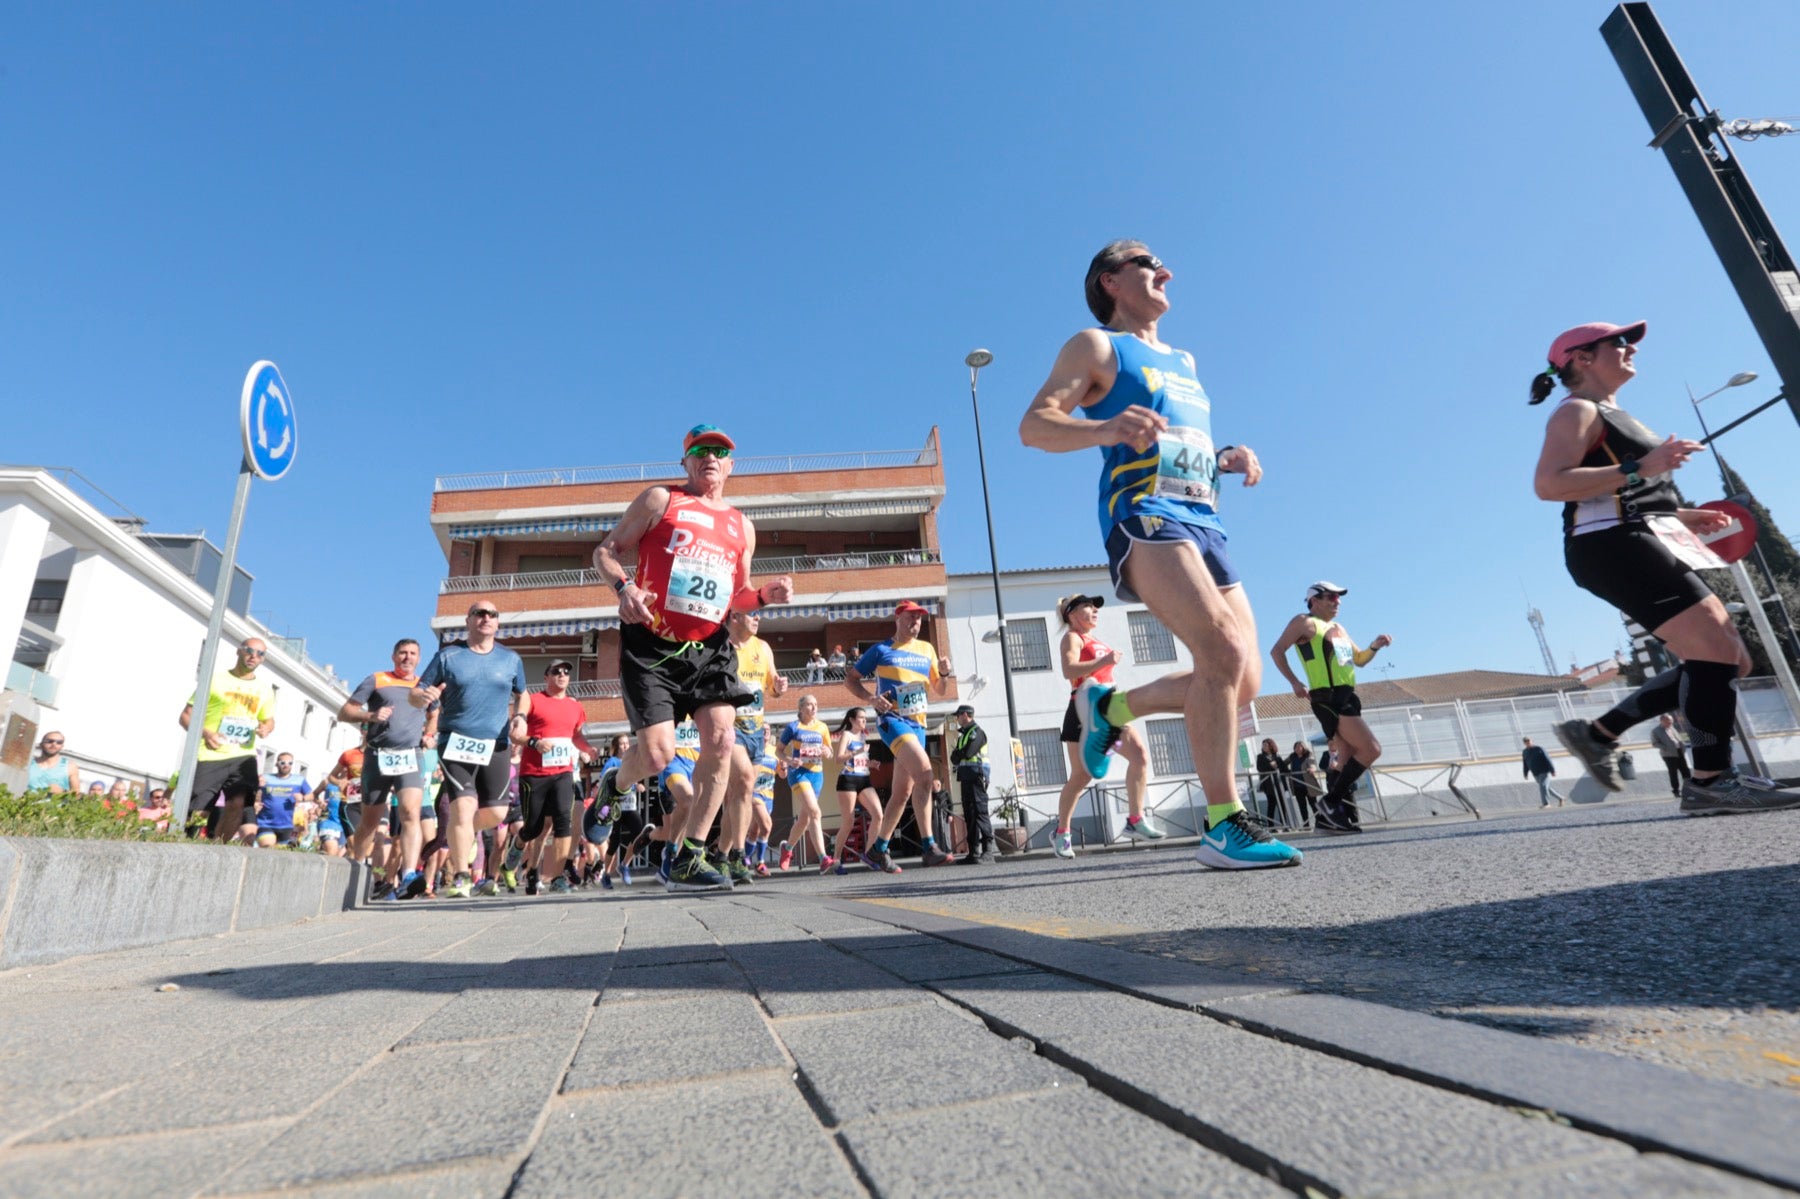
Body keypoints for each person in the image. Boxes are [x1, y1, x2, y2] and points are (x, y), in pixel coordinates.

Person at [1020, 241, 1301, 869]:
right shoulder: (1096, 347)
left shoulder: (1184, 359)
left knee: (1242, 679)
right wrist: (1103, 428)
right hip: (1144, 515)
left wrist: (1224, 456)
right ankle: (1224, 824)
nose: (1165, 271)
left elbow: (1180, 437)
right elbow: (1034, 425)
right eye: (1148, 264)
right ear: (1111, 281)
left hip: (1206, 518)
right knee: (1222, 649)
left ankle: (1113, 709)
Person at [1531, 320, 1800, 815]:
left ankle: (1599, 733)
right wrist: (1640, 467)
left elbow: (1626, 497)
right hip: (1611, 546)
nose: (1630, 348)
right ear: (1582, 358)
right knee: (1716, 648)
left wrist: (1685, 515)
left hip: (1635, 536)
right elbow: (1550, 484)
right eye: (1619, 342)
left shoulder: (1611, 412)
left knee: (1729, 659)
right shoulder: (1577, 411)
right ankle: (1711, 779)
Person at [589, 423, 794, 892]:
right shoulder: (661, 500)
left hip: (709, 648)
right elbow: (605, 551)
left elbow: (737, 596)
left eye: (719, 452)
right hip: (651, 643)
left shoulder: (742, 526)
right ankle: (616, 786)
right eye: (700, 450)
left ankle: (691, 854)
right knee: (659, 755)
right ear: (685, 462)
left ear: (730, 466)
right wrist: (623, 587)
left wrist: (764, 594)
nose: (710, 458)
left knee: (722, 741)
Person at [412, 601, 532, 898]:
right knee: (463, 808)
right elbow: (416, 693)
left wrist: (520, 716)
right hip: (456, 741)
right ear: (468, 621)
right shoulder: (448, 656)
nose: (486, 618)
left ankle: (458, 833)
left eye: (492, 614)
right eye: (480, 613)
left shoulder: (510, 659)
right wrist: (421, 697)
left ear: (497, 624)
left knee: (495, 812)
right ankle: (461, 877)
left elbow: (524, 695)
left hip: (497, 743)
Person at [1269, 582, 1392, 834]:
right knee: (1371, 749)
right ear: (1314, 599)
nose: (1338, 602)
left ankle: (1328, 819)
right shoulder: (1304, 622)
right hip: (1329, 697)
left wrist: (1375, 646)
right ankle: (1330, 803)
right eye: (1332, 597)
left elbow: (1359, 661)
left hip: (1348, 695)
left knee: (1343, 758)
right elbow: (1277, 650)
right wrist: (1294, 682)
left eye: (1339, 598)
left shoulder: (1338, 629)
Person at [1050, 595, 1164, 858]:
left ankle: (1135, 819)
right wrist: (1105, 661)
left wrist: (1107, 662)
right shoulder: (1072, 638)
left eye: (1096, 606)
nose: (1095, 611)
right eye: (1088, 606)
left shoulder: (1095, 640)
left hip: (1108, 707)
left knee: (1139, 755)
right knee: (1081, 777)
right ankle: (1062, 833)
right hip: (1083, 710)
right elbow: (1069, 670)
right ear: (1072, 614)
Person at [846, 600, 956, 872]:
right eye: (909, 618)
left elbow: (940, 689)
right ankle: (929, 846)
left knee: (902, 793)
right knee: (926, 775)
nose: (915, 623)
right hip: (892, 721)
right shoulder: (882, 650)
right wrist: (872, 699)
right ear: (897, 619)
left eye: (919, 619)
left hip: (918, 724)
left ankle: (878, 850)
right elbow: (851, 678)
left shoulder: (927, 649)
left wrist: (944, 672)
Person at [341, 638, 438, 900]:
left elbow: (433, 714)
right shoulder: (376, 679)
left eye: (413, 654)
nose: (407, 658)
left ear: (419, 659)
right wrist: (370, 716)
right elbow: (345, 712)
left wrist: (429, 735)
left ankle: (408, 874)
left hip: (411, 755)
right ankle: (356, 868)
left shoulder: (423, 686)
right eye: (403, 653)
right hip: (377, 755)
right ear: (394, 656)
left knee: (410, 812)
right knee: (370, 823)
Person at [178, 639, 276, 843]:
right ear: (239, 651)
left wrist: (266, 727)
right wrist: (206, 733)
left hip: (244, 755)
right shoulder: (214, 680)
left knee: (238, 803)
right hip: (212, 753)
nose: (253, 656)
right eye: (249, 651)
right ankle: (186, 843)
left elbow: (268, 719)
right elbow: (186, 716)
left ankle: (219, 847)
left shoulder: (264, 689)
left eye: (260, 654)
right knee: (198, 810)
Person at [518, 659, 598, 897]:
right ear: (546, 677)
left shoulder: (575, 706)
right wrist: (534, 742)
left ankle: (557, 877)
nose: (562, 675)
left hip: (563, 773)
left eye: (566, 672)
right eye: (556, 671)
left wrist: (589, 748)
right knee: (534, 829)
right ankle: (526, 858)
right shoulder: (533, 700)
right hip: (534, 773)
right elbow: (515, 735)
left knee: (564, 822)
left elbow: (576, 737)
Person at [721, 607, 785, 885]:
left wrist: (779, 687)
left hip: (757, 730)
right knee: (745, 782)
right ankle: (737, 854)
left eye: (760, 613)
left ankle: (721, 855)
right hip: (729, 728)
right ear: (735, 617)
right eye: (752, 613)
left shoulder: (764, 647)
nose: (758, 618)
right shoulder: (721, 645)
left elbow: (771, 684)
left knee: (739, 795)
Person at [778, 695, 835, 872]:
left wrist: (827, 751)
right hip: (798, 773)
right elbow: (779, 751)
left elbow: (830, 752)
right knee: (815, 812)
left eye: (816, 704)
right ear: (801, 708)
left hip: (817, 775)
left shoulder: (822, 727)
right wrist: (789, 760)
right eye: (810, 704)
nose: (814, 708)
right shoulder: (793, 728)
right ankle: (823, 858)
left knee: (804, 819)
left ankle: (787, 849)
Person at [831, 708, 884, 872]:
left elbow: (859, 760)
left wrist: (871, 763)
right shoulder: (847, 735)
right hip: (848, 780)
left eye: (865, 718)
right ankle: (836, 860)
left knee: (878, 815)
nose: (864, 721)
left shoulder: (863, 736)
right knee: (848, 822)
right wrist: (857, 751)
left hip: (864, 779)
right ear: (852, 720)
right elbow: (838, 759)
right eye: (861, 718)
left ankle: (868, 855)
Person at [948, 705, 994, 864]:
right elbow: (953, 758)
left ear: (965, 715)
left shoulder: (977, 733)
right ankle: (973, 852)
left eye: (958, 716)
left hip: (977, 776)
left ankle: (988, 851)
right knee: (969, 815)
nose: (957, 719)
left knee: (980, 812)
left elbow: (967, 753)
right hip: (966, 777)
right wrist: (960, 754)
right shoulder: (963, 736)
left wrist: (959, 754)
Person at [255, 753, 312, 848]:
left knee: (283, 855)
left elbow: (312, 795)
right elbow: (251, 790)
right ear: (276, 764)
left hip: (287, 825)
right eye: (282, 762)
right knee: (267, 846)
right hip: (265, 823)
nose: (286, 765)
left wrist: (303, 798)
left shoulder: (299, 780)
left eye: (290, 763)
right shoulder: (265, 778)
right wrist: (255, 798)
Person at [1651, 714, 1691, 798]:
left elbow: (1678, 738)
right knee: (1673, 772)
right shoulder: (1656, 731)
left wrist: (1682, 746)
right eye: (1668, 721)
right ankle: (1676, 791)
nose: (1671, 722)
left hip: (1679, 752)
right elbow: (1655, 743)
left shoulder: (1672, 728)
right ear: (1662, 721)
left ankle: (1690, 789)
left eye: (1671, 721)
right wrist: (1665, 747)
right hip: (1668, 755)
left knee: (1686, 771)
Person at [1284, 741, 1322, 827]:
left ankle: (1320, 822)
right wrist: (1288, 772)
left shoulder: (1308, 755)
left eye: (1300, 747)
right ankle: (1306, 824)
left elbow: (1313, 764)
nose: (1298, 749)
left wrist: (1312, 769)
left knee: (1313, 805)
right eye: (1296, 747)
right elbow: (1283, 764)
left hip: (1308, 785)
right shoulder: (1292, 757)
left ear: (1304, 747)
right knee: (1302, 807)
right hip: (1297, 786)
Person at [1255, 738, 1290, 827]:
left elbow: (1284, 769)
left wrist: (1280, 766)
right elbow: (1260, 768)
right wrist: (1270, 765)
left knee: (1282, 805)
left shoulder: (1277, 756)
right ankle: (1271, 826)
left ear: (1271, 746)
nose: (1264, 747)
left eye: (1266, 745)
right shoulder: (1260, 757)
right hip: (1269, 785)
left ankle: (1284, 824)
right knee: (1271, 804)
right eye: (1263, 745)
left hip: (1279, 784)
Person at [1521, 738, 1560, 808]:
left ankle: (1546, 804)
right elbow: (1525, 764)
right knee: (1545, 788)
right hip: (1535, 773)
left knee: (1543, 787)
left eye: (1528, 741)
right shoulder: (1524, 752)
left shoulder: (1539, 749)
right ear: (1524, 743)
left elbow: (1547, 759)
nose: (1527, 742)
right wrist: (1525, 773)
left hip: (1544, 771)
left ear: (1531, 741)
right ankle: (1560, 798)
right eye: (1525, 742)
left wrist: (1552, 770)